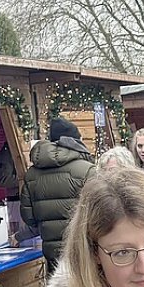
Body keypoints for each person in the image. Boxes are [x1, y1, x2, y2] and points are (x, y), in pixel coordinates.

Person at [22, 116, 99, 271]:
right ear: (76, 142)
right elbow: (100, 211)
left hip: (52, 253)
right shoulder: (87, 170)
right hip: (84, 248)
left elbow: (29, 218)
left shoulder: (31, 174)